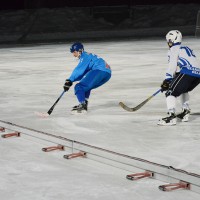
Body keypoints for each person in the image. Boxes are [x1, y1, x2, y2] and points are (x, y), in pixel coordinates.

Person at [158, 30, 200, 126]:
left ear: (171, 40)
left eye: (168, 41)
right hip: (198, 75)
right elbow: (189, 64)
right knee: (183, 90)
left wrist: (167, 80)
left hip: (187, 73)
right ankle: (185, 112)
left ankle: (171, 117)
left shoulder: (173, 49)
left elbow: (172, 65)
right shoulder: (186, 48)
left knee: (170, 92)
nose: (168, 43)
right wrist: (176, 77)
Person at [63, 42, 111, 114]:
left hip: (100, 71)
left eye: (74, 52)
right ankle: (84, 103)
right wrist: (71, 81)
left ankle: (82, 106)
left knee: (79, 86)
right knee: (86, 87)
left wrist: (70, 80)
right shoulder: (88, 56)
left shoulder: (84, 56)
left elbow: (78, 70)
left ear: (79, 51)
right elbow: (82, 73)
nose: (73, 55)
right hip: (107, 74)